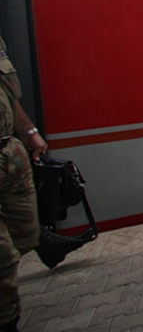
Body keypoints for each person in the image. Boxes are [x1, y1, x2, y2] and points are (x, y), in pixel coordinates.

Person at [0, 34, 49, 332]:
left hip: (9, 153)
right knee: (3, 257)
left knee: (26, 237)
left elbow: (8, 94)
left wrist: (28, 130)